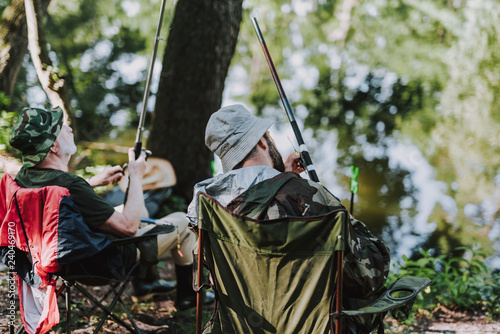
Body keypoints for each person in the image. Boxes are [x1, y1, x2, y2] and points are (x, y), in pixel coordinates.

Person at [188, 104, 391, 332]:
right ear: (262, 142)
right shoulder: (308, 196)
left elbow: (213, 278)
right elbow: (369, 278)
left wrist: (282, 179)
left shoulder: (209, 208)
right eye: (268, 135)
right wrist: (345, 216)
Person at [9, 107, 200, 310]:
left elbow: (56, 194)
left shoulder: (23, 179)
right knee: (183, 221)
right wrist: (135, 176)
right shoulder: (72, 184)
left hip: (60, 262)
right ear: (54, 146)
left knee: (141, 213)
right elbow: (128, 229)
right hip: (101, 263)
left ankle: (147, 285)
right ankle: (188, 298)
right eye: (62, 127)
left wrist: (92, 182)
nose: (70, 129)